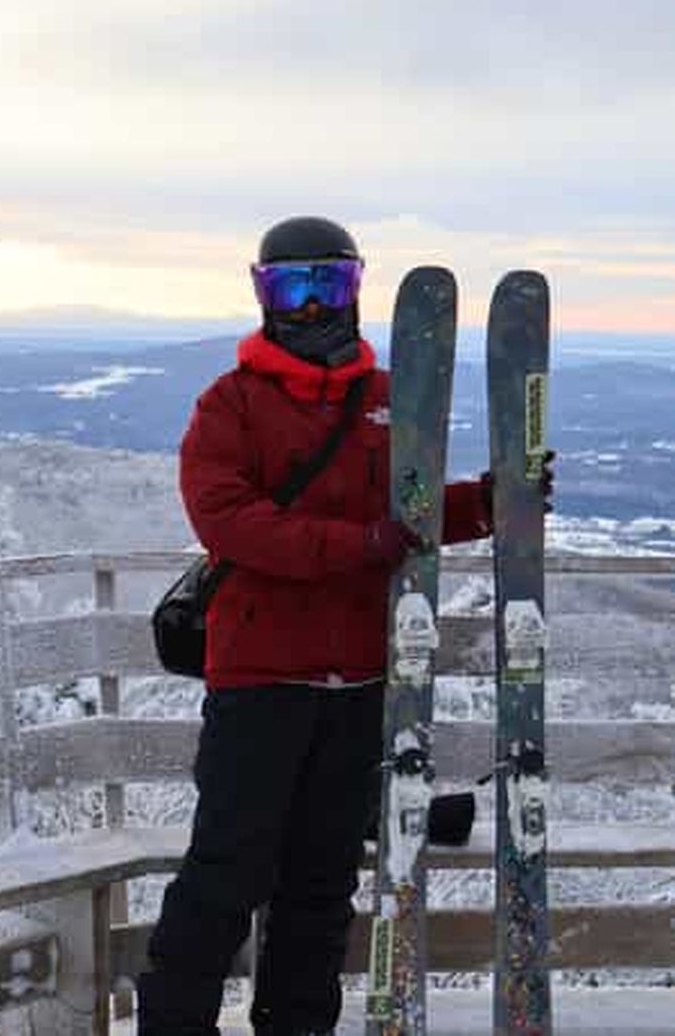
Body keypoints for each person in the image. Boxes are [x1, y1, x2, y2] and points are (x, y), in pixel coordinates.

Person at [138, 216, 552, 1036]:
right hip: (261, 683)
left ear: (357, 289)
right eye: (293, 286)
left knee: (322, 885)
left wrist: (494, 499)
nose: (314, 306)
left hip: (364, 684)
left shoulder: (395, 400)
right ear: (263, 293)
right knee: (227, 873)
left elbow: (415, 511)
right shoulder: (231, 405)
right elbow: (232, 523)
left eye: (331, 284)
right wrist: (357, 543)